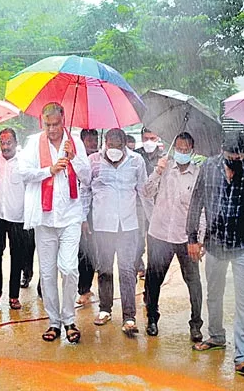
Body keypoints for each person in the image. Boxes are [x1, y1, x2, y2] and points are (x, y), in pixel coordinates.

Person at [187, 131, 244, 378]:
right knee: (214, 294)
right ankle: (217, 336)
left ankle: (242, 356)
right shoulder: (209, 167)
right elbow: (196, 202)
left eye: (239, 155)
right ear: (222, 149)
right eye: (231, 154)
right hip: (214, 244)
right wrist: (192, 238)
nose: (235, 158)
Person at [20, 102, 90, 344]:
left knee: (69, 268)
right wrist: (48, 170)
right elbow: (23, 172)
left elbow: (87, 177)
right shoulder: (33, 143)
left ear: (63, 121)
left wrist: (74, 158)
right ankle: (54, 322)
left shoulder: (75, 142)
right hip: (44, 217)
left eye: (55, 124)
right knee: (48, 273)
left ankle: (69, 319)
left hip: (70, 216)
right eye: (47, 124)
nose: (51, 129)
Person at [143, 132, 204, 341]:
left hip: (186, 236)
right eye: (179, 149)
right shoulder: (164, 168)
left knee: (193, 282)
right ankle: (152, 318)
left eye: (186, 149)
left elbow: (202, 209)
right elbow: (146, 192)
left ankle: (196, 324)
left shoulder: (198, 175)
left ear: (192, 151)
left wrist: (199, 239)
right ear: (173, 148)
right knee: (153, 279)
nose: (182, 152)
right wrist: (157, 172)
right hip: (159, 233)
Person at [87, 128, 147, 335]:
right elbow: (86, 191)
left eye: (117, 145)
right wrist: (83, 219)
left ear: (124, 145)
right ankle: (105, 309)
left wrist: (150, 218)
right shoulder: (93, 161)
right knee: (104, 268)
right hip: (103, 224)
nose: (113, 149)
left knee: (127, 270)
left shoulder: (136, 161)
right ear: (105, 143)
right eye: (110, 145)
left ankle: (129, 316)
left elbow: (143, 191)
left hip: (128, 225)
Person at [0, 128, 35, 310]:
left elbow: (33, 189)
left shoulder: (24, 160)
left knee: (16, 256)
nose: (5, 147)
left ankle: (13, 296)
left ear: (16, 143)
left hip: (18, 217)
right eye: (2, 143)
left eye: (8, 142)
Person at [133, 127, 161, 278]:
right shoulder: (135, 156)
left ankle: (151, 273)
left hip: (156, 206)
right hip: (137, 204)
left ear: (158, 138)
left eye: (152, 138)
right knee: (137, 242)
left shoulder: (164, 158)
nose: (149, 142)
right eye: (146, 138)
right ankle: (138, 266)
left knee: (154, 243)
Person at [77, 129, 99, 305]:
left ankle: (85, 288)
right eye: (89, 140)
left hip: (92, 211)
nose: (93, 143)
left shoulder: (100, 160)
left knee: (89, 251)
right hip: (70, 210)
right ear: (82, 141)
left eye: (95, 139)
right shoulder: (75, 158)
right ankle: (43, 289)